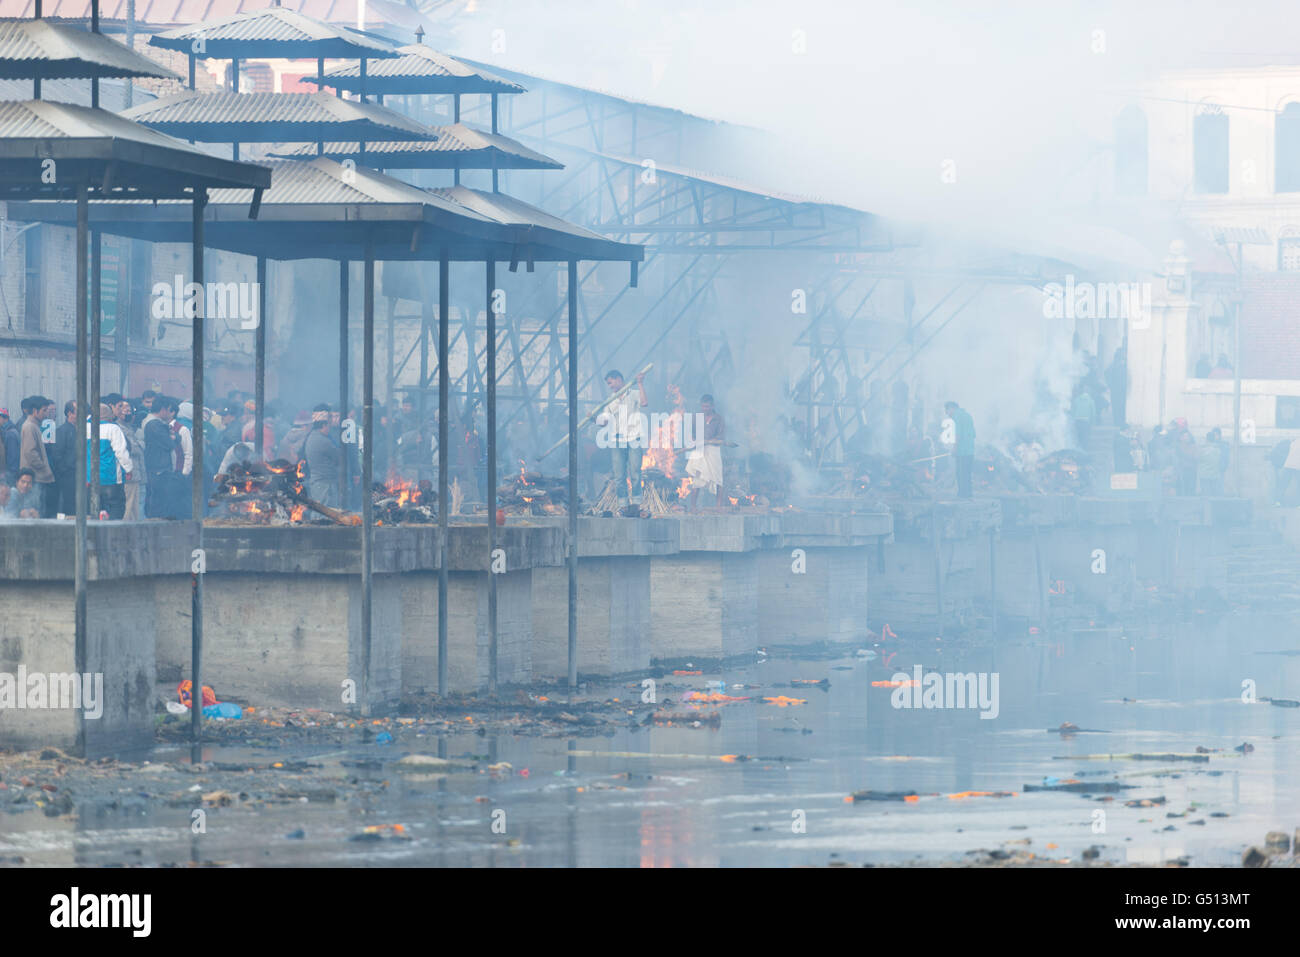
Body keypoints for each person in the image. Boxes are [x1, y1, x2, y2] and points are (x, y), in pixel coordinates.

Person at [594, 368, 648, 511]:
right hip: (617, 440)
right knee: (619, 476)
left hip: (634, 438)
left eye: (611, 383)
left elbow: (644, 403)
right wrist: (593, 419)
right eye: (609, 385)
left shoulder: (634, 393)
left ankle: (636, 503)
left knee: (635, 472)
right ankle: (623, 505)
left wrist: (640, 384)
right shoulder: (610, 401)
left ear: (619, 379)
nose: (610, 386)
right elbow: (604, 422)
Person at [88, 402, 132, 520]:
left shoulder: (85, 427)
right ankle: (112, 532)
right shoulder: (113, 428)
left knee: (95, 509)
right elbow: (121, 452)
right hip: (111, 477)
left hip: (90, 478)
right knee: (116, 507)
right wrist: (128, 469)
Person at [106, 394, 144, 520]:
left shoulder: (130, 428)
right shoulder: (118, 428)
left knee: (134, 507)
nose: (126, 412)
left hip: (135, 472)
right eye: (122, 409)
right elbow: (131, 449)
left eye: (128, 410)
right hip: (128, 472)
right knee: (129, 505)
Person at [685, 394, 726, 508]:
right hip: (699, 450)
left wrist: (709, 441)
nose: (705, 409)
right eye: (703, 406)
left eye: (707, 406)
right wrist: (695, 441)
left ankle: (718, 507)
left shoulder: (719, 419)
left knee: (718, 478)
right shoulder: (696, 418)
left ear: (712, 406)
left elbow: (721, 437)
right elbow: (691, 434)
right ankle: (693, 507)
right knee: (697, 479)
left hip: (713, 450)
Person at [144, 396, 182, 518]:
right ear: (163, 409)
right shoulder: (154, 425)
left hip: (159, 468)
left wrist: (174, 437)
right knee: (158, 501)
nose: (170, 413)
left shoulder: (158, 424)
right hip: (158, 469)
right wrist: (174, 437)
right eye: (169, 410)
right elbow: (169, 443)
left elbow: (175, 438)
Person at [20, 395, 57, 517]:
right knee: (36, 512)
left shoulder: (33, 425)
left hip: (37, 477)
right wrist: (44, 468)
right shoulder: (30, 426)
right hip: (36, 478)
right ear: (35, 411)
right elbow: (30, 453)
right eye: (44, 410)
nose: (46, 414)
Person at [303, 404, 342, 506]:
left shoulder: (312, 436)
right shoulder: (323, 441)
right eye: (329, 424)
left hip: (318, 483)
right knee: (325, 514)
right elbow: (339, 458)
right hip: (325, 485)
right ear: (324, 425)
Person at [51, 400, 79, 515]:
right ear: (69, 413)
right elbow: (57, 455)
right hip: (68, 476)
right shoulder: (62, 431)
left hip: (80, 475)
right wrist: (65, 471)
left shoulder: (84, 429)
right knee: (70, 505)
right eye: (78, 411)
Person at [944, 400, 975, 499]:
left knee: (960, 473)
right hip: (970, 450)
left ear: (952, 408)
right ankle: (968, 493)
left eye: (947, 411)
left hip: (961, 451)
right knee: (967, 473)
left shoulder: (957, 416)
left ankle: (962, 495)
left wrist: (954, 448)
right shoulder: (968, 416)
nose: (947, 414)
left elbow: (957, 434)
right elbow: (974, 434)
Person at [1105, 346, 1127, 427]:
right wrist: (1110, 384)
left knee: (1120, 406)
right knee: (1117, 406)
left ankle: (1119, 422)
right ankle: (1118, 423)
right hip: (1117, 389)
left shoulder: (1121, 365)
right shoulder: (1115, 365)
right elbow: (1107, 373)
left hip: (1120, 389)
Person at [0, 407, 20, 486]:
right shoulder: (6, 431)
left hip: (10, 473)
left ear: (3, 418)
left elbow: (12, 456)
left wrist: (10, 474)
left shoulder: (10, 433)